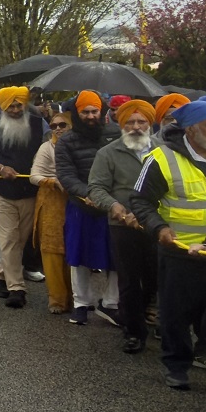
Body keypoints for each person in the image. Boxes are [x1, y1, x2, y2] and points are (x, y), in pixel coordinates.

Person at [130, 99, 206, 393]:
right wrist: (159, 228)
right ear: (191, 130)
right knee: (176, 314)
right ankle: (177, 367)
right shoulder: (160, 159)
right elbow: (139, 201)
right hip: (181, 252)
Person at [88, 99, 162, 354]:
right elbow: (96, 188)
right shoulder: (108, 153)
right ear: (121, 124)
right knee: (129, 280)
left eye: (142, 121)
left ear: (150, 123)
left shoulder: (164, 151)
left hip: (158, 224)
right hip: (123, 224)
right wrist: (115, 207)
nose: (136, 127)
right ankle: (133, 332)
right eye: (130, 122)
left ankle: (152, 317)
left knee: (156, 277)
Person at [0, 86, 47, 308]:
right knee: (9, 239)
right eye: (10, 107)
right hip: (0, 191)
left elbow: (47, 150)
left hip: (29, 191)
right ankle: (17, 288)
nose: (15, 110)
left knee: (20, 239)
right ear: (3, 107)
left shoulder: (39, 124)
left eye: (18, 105)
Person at [56, 91, 120, 326]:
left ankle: (111, 303)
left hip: (114, 205)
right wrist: (88, 194)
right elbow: (66, 175)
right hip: (81, 205)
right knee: (79, 256)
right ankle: (81, 303)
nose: (91, 116)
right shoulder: (66, 141)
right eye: (85, 112)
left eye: (95, 111)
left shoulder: (116, 134)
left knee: (116, 256)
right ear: (77, 113)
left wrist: (112, 198)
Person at [30, 113, 74, 313]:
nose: (57, 129)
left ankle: (77, 298)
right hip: (51, 200)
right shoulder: (46, 147)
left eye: (62, 124)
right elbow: (34, 176)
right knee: (52, 249)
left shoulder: (80, 145)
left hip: (77, 199)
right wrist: (52, 181)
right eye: (53, 125)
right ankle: (57, 299)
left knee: (74, 248)